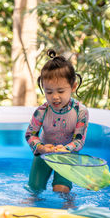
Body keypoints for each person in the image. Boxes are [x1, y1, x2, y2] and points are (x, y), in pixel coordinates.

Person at [25, 49, 89, 194]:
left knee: (62, 190)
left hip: (67, 155)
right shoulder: (42, 111)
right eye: (49, 92)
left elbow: (79, 141)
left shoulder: (81, 112)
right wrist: (40, 147)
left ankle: (68, 207)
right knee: (34, 189)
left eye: (60, 91)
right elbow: (30, 134)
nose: (54, 97)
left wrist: (66, 148)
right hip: (44, 154)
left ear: (73, 86)